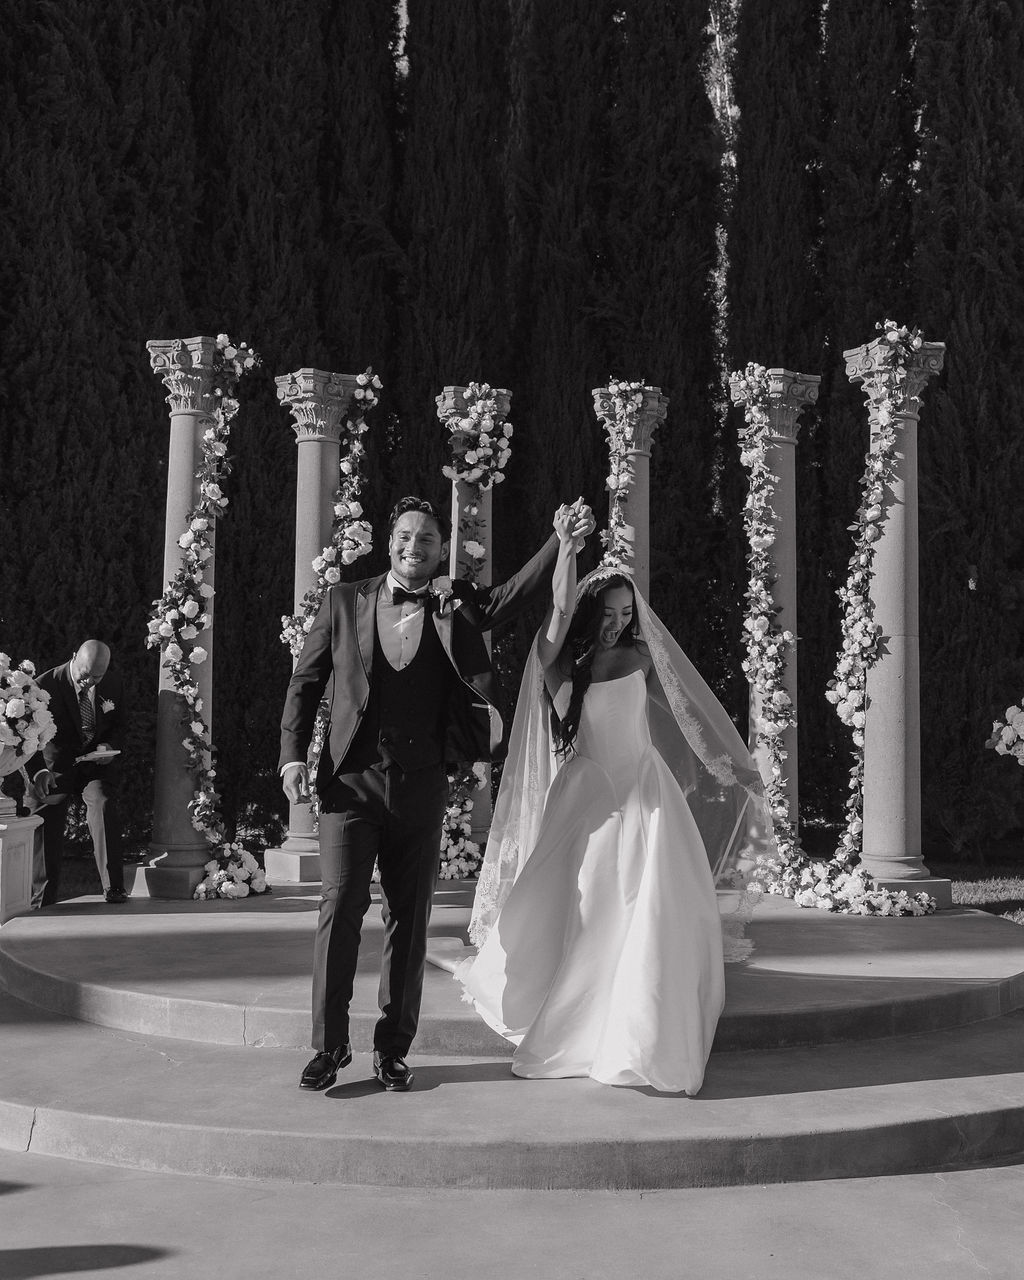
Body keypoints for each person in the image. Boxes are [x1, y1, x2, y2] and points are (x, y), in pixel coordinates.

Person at [280, 494, 595, 1093]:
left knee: (410, 917)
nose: (413, 547)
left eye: (426, 539)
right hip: (350, 782)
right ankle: (329, 1047)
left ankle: (393, 1048)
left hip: (421, 782)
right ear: (389, 540)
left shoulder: (456, 603)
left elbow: (514, 597)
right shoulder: (344, 600)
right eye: (404, 536)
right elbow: (306, 680)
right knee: (339, 906)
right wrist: (293, 755)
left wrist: (558, 540)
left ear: (441, 548)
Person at [458, 509, 770, 1095]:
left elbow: (688, 717)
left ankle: (642, 1026)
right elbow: (554, 613)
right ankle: (578, 1013)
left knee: (651, 905)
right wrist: (568, 550)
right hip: (590, 796)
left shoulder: (642, 659)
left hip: (647, 796)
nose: (619, 624)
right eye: (608, 613)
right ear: (587, 613)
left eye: (627, 614)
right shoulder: (559, 663)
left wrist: (733, 765)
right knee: (593, 903)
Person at [30, 640, 128, 907]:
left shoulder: (112, 683)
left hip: (92, 765)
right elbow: (28, 736)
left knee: (103, 801)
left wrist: (108, 747)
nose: (91, 682)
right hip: (54, 768)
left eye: (97, 676)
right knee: (45, 822)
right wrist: (39, 770)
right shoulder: (43, 685)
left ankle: (114, 888)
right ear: (74, 657)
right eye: (85, 675)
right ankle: (42, 899)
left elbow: (119, 725)